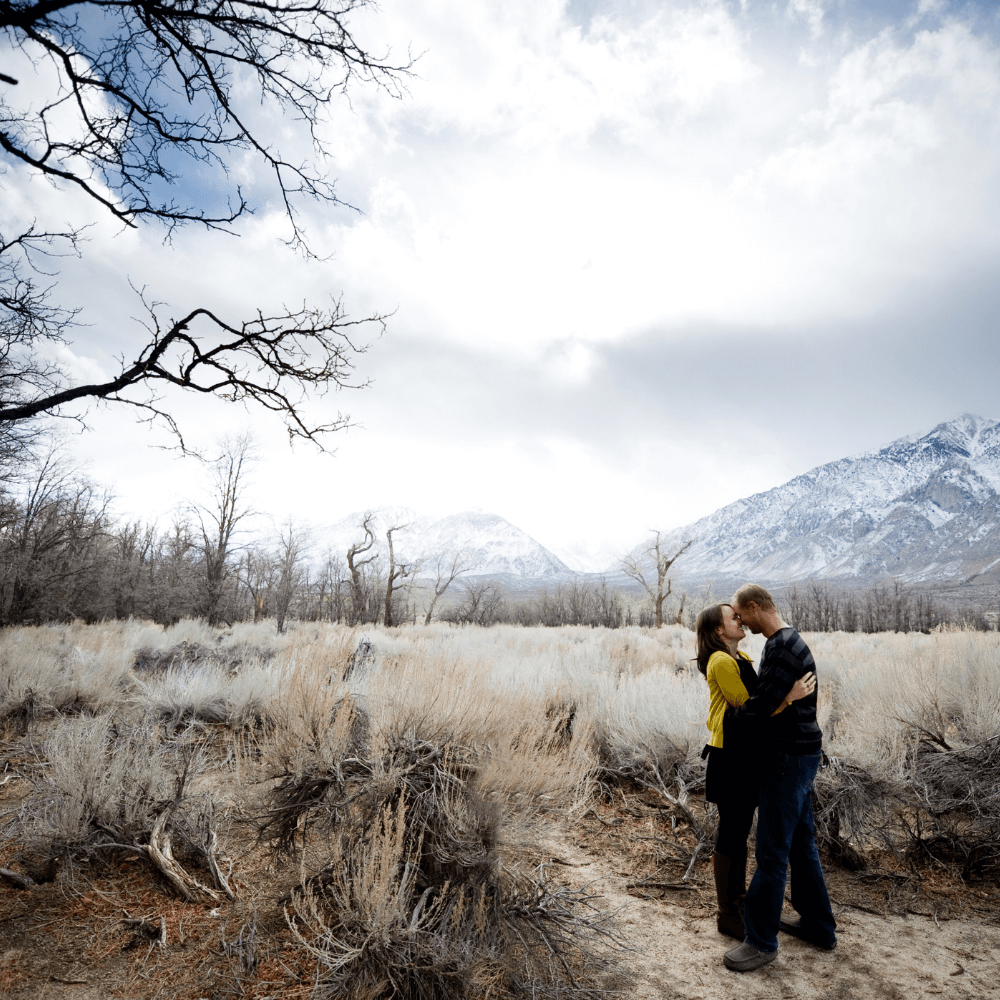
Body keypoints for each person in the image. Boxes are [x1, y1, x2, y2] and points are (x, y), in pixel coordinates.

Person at [722, 584, 837, 973]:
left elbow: (758, 709)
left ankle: (760, 942)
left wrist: (730, 721)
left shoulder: (783, 647)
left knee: (772, 851)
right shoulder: (782, 643)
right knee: (802, 844)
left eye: (740, 614)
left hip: (788, 759)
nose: (738, 620)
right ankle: (819, 926)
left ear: (756, 608)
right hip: (800, 755)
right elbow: (773, 700)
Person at [696, 604, 815, 940]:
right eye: (733, 618)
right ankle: (729, 915)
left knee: (739, 831)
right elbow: (748, 707)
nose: (740, 620)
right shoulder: (720, 661)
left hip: (744, 756)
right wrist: (789, 697)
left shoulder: (742, 659)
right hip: (729, 757)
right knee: (732, 833)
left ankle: (740, 907)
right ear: (719, 630)